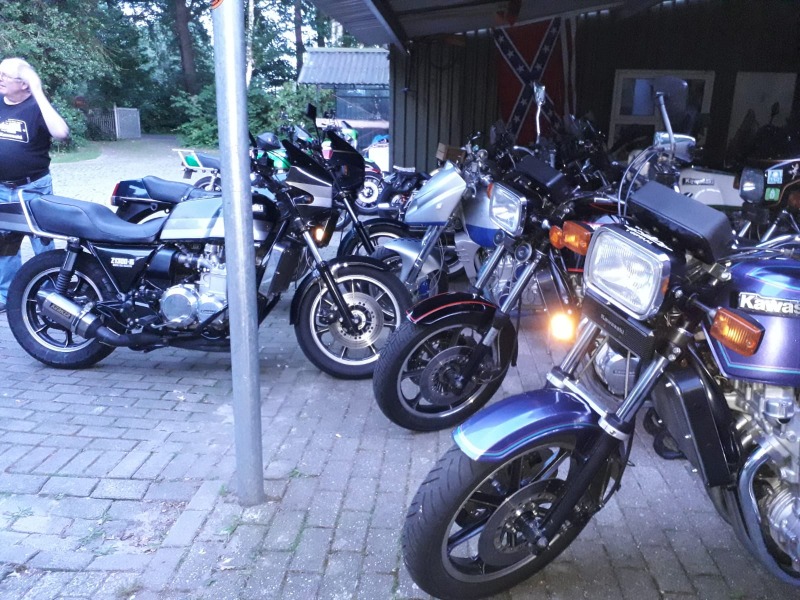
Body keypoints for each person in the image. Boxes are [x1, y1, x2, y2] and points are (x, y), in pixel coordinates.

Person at [0, 57, 69, 313]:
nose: (0, 79)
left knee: (42, 243)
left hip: (33, 189)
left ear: (24, 84)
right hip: (2, 189)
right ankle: (6, 295)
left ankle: (49, 296)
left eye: (5, 75)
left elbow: (61, 133)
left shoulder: (37, 106)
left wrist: (38, 91)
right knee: (5, 246)